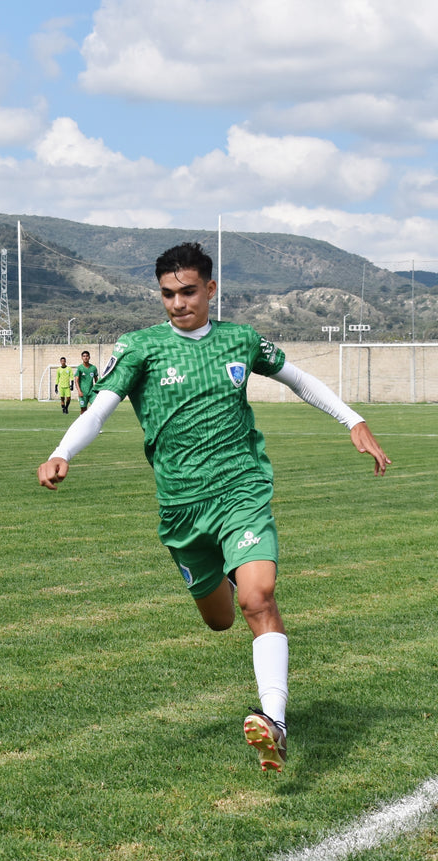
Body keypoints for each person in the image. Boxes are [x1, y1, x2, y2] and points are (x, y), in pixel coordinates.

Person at [37, 242, 390, 773]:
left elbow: (298, 378)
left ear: (210, 289)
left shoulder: (239, 340)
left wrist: (353, 420)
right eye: (167, 294)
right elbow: (100, 411)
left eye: (188, 291)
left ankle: (275, 721)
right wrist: (62, 451)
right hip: (181, 508)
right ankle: (223, 575)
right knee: (221, 619)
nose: (178, 303)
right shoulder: (139, 348)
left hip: (241, 490)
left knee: (259, 597)